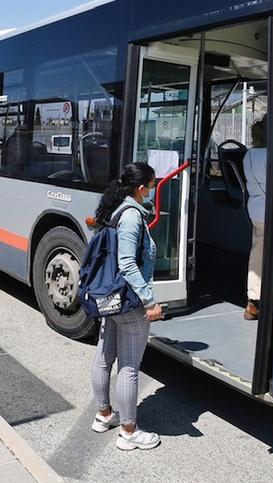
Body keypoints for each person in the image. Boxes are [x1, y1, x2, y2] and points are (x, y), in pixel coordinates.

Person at [89, 161, 163, 451]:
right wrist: (150, 300)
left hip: (112, 298)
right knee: (129, 366)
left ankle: (103, 414)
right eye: (153, 185)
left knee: (104, 357)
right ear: (141, 188)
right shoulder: (132, 216)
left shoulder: (115, 208)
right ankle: (129, 432)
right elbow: (128, 264)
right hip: (129, 301)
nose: (155, 190)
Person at [242, 116, 268, 321]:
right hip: (271, 211)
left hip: (255, 209)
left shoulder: (249, 155)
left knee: (258, 251)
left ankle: (254, 300)